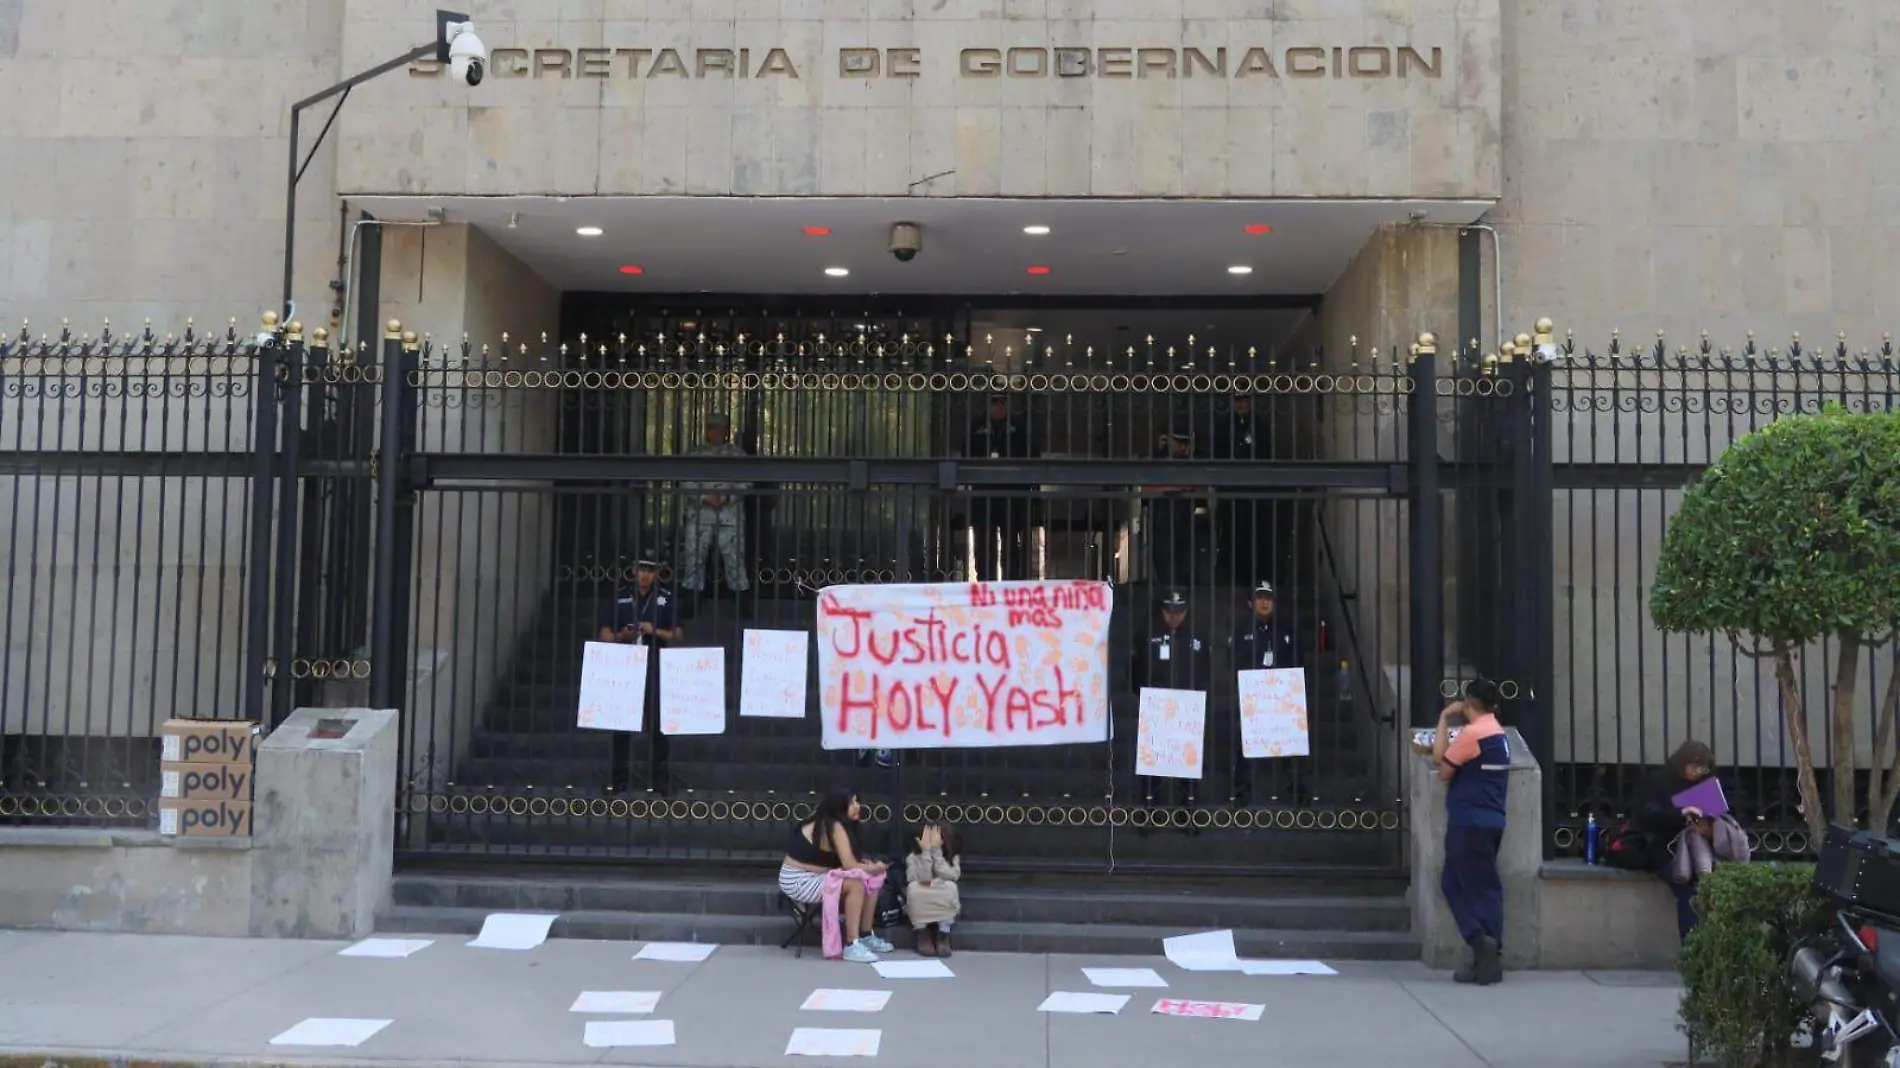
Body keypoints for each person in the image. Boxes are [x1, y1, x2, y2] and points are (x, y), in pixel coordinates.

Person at [1431, 677, 1509, 986]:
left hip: (1469, 822)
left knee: (1454, 883)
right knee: (1486, 889)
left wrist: (1442, 719)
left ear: (1468, 703)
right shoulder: (1498, 733)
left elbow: (1443, 767)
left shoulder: (1473, 734)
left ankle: (1480, 942)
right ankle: (1489, 960)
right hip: (1492, 821)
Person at [1632, 740, 1740, 942]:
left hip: (1702, 851)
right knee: (1689, 890)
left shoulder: (1706, 783)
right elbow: (1647, 815)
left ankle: (1718, 947)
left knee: (1718, 887)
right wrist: (1681, 814)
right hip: (1667, 849)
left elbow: (1721, 815)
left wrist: (1709, 829)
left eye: (1703, 768)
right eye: (1694, 766)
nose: (1698, 772)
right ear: (1682, 762)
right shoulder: (1657, 781)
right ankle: (1693, 949)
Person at [778, 787, 893, 963]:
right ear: (839, 807)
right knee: (856, 882)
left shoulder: (840, 824)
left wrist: (870, 868)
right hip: (797, 878)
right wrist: (874, 867)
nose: (857, 807)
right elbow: (849, 865)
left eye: (857, 801)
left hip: (815, 874)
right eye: (852, 803)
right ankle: (851, 945)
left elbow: (847, 861)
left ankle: (865, 934)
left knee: (872, 877)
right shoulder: (833, 825)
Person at [595, 554, 678, 793]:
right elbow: (605, 634)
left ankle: (660, 780)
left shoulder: (666, 598)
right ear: (633, 569)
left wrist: (655, 630)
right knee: (621, 725)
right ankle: (619, 781)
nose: (645, 575)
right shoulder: (620, 595)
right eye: (641, 569)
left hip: (655, 663)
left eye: (650, 570)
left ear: (658, 572)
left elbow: (678, 635)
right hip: (625, 665)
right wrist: (623, 635)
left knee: (658, 724)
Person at [1136, 589, 1211, 808]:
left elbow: (1205, 668)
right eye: (1169, 611)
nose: (1174, 617)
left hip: (1187, 706)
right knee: (1153, 763)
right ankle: (1149, 807)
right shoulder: (1147, 633)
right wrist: (1145, 695)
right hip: (1156, 705)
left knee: (1187, 763)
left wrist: (1198, 696)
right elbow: (1136, 667)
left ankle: (1188, 808)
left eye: (1179, 611)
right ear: (1162, 610)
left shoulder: (1198, 635)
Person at [1228, 581, 1299, 803]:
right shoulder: (1241, 629)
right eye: (1259, 598)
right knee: (1245, 744)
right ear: (1251, 602)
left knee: (1290, 742)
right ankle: (1241, 789)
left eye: (1269, 598)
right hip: (1253, 698)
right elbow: (1233, 660)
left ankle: (1295, 786)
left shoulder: (1286, 629)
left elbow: (1296, 660)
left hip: (1282, 698)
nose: (1265, 602)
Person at [964, 393, 1036, 581]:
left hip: (1012, 495)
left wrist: (1029, 491)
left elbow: (1032, 459)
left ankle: (1010, 583)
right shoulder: (976, 426)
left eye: (1002, 401)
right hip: (983, 494)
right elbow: (966, 458)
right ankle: (985, 583)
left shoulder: (1019, 427)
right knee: (983, 544)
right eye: (994, 401)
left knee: (1011, 543)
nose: (999, 406)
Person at [680, 411, 751, 602]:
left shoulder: (737, 454)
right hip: (700, 515)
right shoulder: (695, 454)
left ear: (727, 431)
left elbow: (748, 482)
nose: (716, 433)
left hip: (730, 516)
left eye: (720, 429)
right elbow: (685, 482)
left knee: (734, 560)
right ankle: (691, 602)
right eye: (712, 428)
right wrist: (704, 497)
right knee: (694, 558)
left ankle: (740, 602)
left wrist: (728, 496)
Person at [1143, 425, 1200, 588]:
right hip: (1162, 523)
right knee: (1165, 571)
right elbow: (1145, 489)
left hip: (1183, 523)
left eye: (1184, 443)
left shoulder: (1189, 462)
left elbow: (1195, 486)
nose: (1181, 446)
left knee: (1183, 570)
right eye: (1177, 442)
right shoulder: (1158, 460)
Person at [905, 822, 962, 958]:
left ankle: (943, 934)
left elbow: (952, 876)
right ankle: (922, 933)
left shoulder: (952, 857)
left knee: (950, 887)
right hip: (923, 890)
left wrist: (936, 853)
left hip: (940, 889)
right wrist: (925, 853)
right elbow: (922, 878)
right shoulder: (912, 857)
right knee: (914, 889)